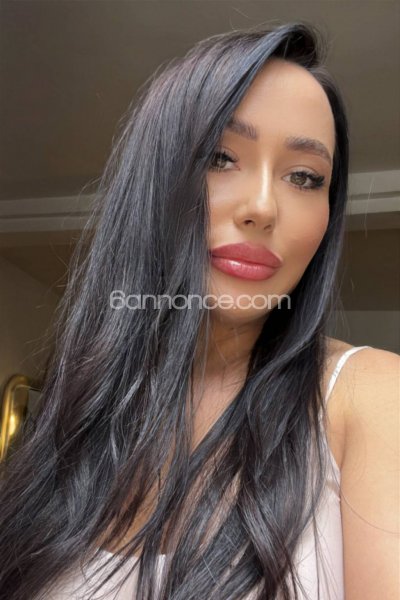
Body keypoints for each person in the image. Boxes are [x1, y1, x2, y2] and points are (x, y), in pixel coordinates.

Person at [0, 21, 398, 600]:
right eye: (220, 156)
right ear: (152, 182)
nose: (262, 207)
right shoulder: (71, 420)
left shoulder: (371, 398)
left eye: (304, 177)